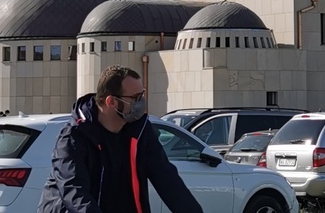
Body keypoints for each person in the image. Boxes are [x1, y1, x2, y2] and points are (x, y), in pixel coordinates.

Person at [38, 65, 202, 213]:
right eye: (135, 98)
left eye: (142, 95)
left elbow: (168, 180)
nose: (141, 103)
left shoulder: (141, 132)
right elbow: (74, 191)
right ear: (112, 102)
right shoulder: (74, 137)